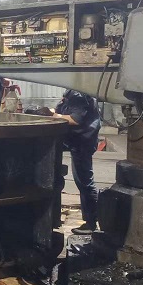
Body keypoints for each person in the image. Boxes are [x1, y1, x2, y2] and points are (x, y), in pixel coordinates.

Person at [51, 90, 101, 235]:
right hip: (74, 140)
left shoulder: (78, 94)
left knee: (84, 181)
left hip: (82, 142)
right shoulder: (71, 92)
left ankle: (91, 223)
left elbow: (75, 119)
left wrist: (53, 116)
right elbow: (63, 110)